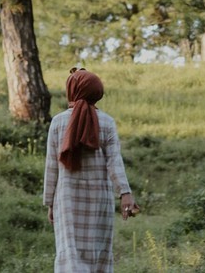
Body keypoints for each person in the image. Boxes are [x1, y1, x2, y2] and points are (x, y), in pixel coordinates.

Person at [43, 67, 138, 273]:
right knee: (98, 251)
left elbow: (52, 166)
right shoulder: (107, 122)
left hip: (67, 199)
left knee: (70, 253)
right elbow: (115, 161)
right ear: (97, 93)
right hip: (99, 199)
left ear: (72, 90)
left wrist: (50, 203)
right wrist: (125, 193)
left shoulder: (59, 122)